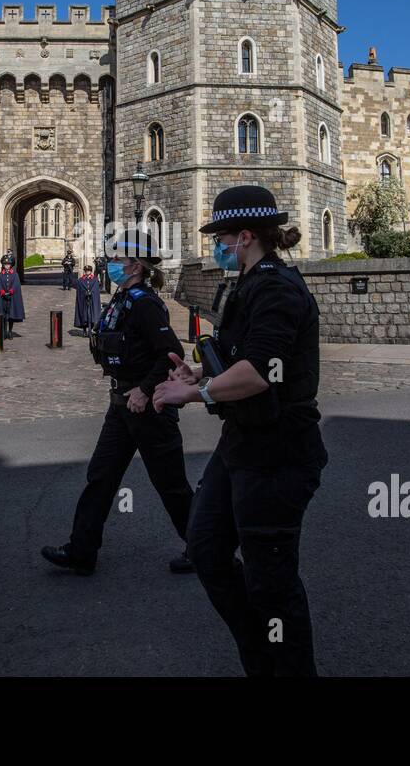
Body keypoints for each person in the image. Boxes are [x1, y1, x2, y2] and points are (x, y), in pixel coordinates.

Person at [153, 185, 327, 676]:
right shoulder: (246, 283)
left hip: (278, 453)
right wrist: (201, 376)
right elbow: (236, 362)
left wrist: (194, 394)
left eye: (221, 237)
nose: (216, 246)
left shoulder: (275, 287)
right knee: (206, 548)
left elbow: (260, 371)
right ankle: (262, 659)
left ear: (245, 236)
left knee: (272, 584)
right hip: (242, 445)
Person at [42, 235, 195, 576]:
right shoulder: (122, 299)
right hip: (121, 402)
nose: (111, 264)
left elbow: (172, 354)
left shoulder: (145, 303)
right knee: (101, 476)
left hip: (148, 405)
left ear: (136, 266)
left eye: (119, 259)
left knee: (170, 483)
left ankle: (206, 549)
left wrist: (144, 389)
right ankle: (82, 551)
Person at [0, 259, 25, 340]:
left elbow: (16, 284)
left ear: (11, 265)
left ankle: (10, 331)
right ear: (3, 265)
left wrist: (11, 291)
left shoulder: (15, 274)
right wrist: (2, 291)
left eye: (8, 264)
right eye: (5, 264)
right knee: (3, 315)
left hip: (11, 297)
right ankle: (4, 332)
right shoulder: (0, 275)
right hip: (2, 298)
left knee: (10, 316)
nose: (7, 265)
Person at [72, 265, 102, 336]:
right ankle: (84, 329)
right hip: (84, 301)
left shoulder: (95, 280)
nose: (87, 272)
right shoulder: (80, 280)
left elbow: (96, 291)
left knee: (91, 315)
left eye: (88, 271)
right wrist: (84, 293)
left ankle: (90, 329)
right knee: (84, 315)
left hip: (92, 300)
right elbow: (79, 292)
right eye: (86, 271)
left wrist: (92, 293)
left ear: (91, 271)